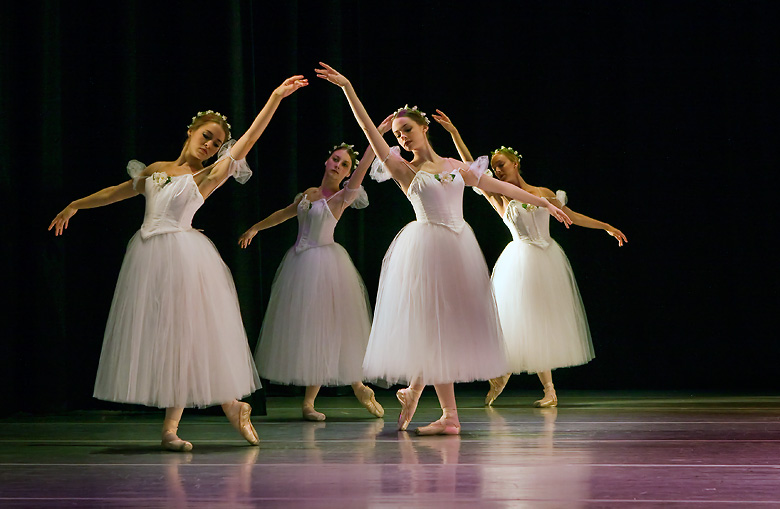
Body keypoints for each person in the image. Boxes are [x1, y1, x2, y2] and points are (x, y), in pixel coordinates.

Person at [48, 75, 308, 451]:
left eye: (216, 143)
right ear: (191, 131)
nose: (210, 146)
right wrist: (76, 204)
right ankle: (226, 407)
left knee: (185, 338)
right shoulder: (157, 169)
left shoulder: (207, 176)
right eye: (207, 136)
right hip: (148, 257)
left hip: (184, 259)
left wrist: (275, 98)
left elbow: (249, 140)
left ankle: (182, 424)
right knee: (168, 340)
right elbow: (116, 192)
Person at [315, 63, 572, 435]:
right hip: (427, 250)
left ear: (424, 129)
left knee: (448, 326)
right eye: (398, 134)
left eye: (408, 130)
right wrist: (348, 89)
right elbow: (370, 132)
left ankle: (425, 397)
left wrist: (544, 203)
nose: (403, 138)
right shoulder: (404, 170)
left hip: (459, 249)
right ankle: (443, 411)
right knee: (434, 325)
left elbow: (499, 188)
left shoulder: (454, 166)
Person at [432, 110, 627, 408]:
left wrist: (606, 226)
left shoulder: (542, 193)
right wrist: (455, 134)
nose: (497, 171)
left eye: (501, 165)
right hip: (520, 261)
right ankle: (504, 374)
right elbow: (473, 169)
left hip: (547, 260)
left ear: (516, 164)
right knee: (518, 322)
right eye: (494, 167)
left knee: (542, 323)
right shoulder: (498, 196)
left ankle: (547, 390)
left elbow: (572, 216)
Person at [238, 141, 385, 421]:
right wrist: (256, 228)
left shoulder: (343, 197)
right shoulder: (309, 193)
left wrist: (376, 136)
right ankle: (318, 400)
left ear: (348, 173)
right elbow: (285, 213)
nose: (338, 166)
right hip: (299, 264)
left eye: (344, 165)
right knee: (309, 332)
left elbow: (363, 167)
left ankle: (353, 387)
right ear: (327, 161)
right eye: (335, 159)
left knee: (327, 328)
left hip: (326, 266)